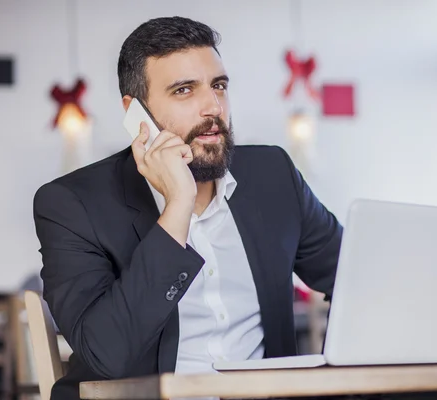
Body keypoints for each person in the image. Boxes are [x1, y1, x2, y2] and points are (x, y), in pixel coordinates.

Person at [33, 16, 343, 400]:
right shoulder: (72, 204)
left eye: (219, 86)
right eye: (184, 90)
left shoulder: (272, 175)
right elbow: (106, 354)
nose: (212, 106)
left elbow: (353, 277)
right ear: (135, 113)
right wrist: (177, 206)